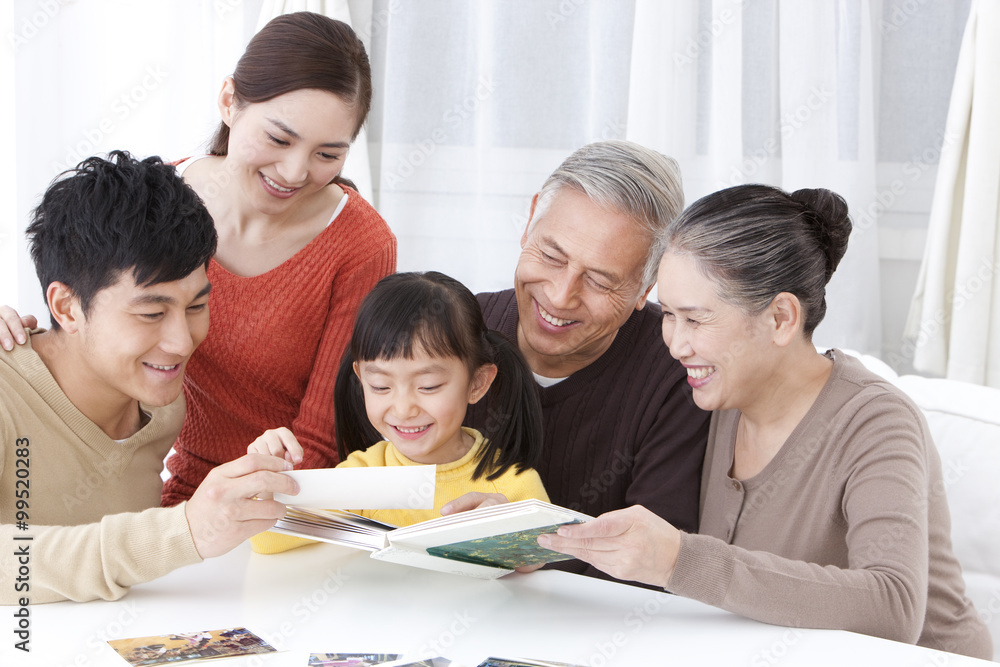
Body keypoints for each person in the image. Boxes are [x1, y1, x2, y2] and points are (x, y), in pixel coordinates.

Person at [537, 184, 993, 659]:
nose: (674, 343)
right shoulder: (719, 397)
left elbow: (892, 607)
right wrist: (522, 537)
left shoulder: (877, 422)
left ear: (780, 318)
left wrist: (679, 559)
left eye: (696, 319)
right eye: (669, 316)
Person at [0, 12, 396, 504]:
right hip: (184, 489)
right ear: (230, 101)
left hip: (298, 499)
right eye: (278, 138)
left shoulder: (361, 244)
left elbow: (319, 441)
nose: (295, 171)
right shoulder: (161, 200)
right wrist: (13, 340)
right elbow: (90, 318)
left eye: (328, 154)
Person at [0, 152, 299, 604]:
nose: (182, 342)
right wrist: (182, 532)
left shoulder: (161, 401)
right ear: (66, 308)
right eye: (152, 313)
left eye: (196, 306)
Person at [459, 140, 711, 584]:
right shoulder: (451, 333)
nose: (560, 296)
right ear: (531, 219)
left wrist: (525, 541)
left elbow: (654, 561)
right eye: (552, 256)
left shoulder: (679, 374)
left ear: (646, 286)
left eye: (599, 281)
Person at [248, 271, 548, 553]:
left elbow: (542, 559)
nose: (403, 410)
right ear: (361, 378)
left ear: (477, 383)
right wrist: (266, 481)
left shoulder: (511, 483)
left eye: (428, 386)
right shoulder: (364, 475)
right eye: (380, 386)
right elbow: (265, 541)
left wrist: (514, 540)